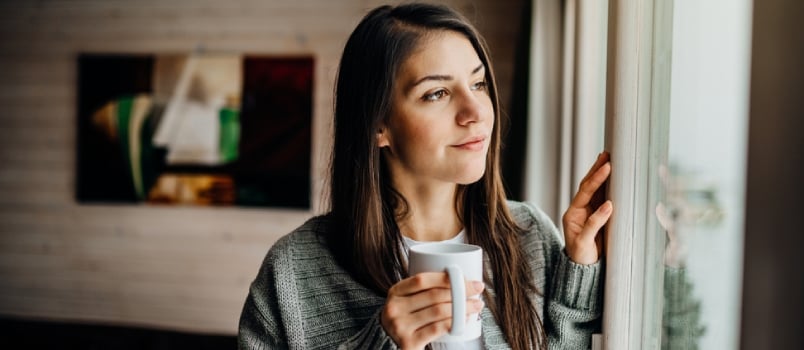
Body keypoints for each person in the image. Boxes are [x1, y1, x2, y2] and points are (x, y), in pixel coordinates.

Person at [238, 3, 613, 349]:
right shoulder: (292, 271)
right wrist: (383, 342)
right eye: (436, 93)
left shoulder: (531, 238)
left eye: (478, 84)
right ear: (378, 125)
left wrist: (578, 267)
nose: (475, 112)